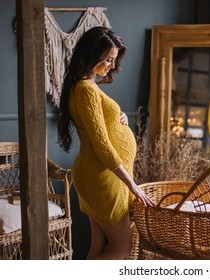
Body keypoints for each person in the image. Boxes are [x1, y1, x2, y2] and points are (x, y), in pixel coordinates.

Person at [57, 26, 155, 260]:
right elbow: (101, 145)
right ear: (93, 54)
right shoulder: (85, 90)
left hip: (99, 175)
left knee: (98, 248)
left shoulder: (86, 86)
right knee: (122, 248)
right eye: (109, 59)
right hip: (103, 177)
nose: (112, 65)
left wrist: (119, 116)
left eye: (114, 59)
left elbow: (100, 125)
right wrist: (132, 184)